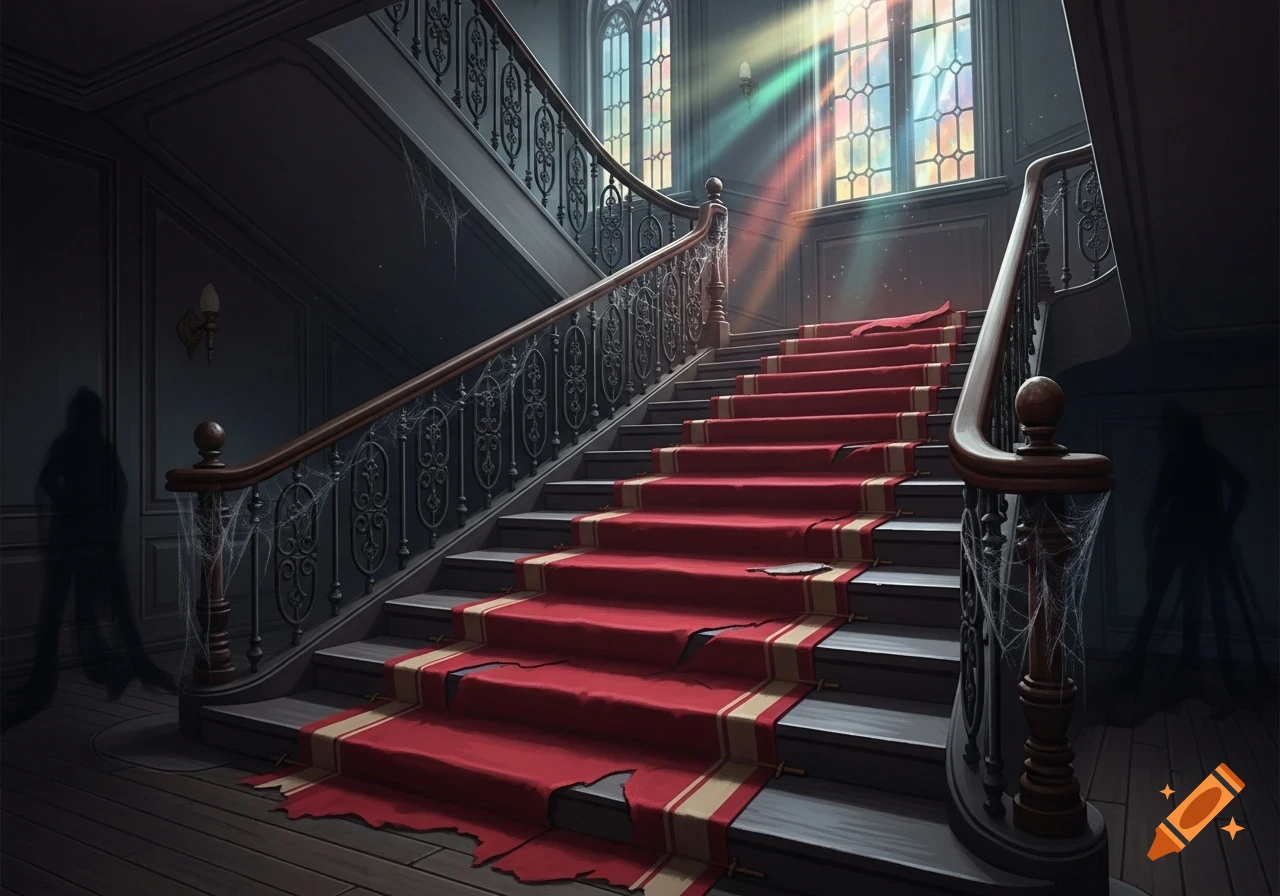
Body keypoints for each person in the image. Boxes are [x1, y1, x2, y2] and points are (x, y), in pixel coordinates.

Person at [2, 388, 176, 732]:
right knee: (94, 609)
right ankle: (108, 672)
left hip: (80, 538)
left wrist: (72, 509)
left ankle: (52, 680)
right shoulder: (93, 446)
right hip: (92, 538)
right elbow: (115, 490)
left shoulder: (76, 445)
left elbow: (52, 483)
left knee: (62, 612)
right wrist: (96, 518)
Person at [1119, 404, 1267, 696]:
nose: (1162, 436)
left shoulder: (1176, 459)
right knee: (1203, 599)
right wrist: (1223, 524)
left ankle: (1165, 667)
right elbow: (1239, 485)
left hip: (1182, 535)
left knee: (1179, 599)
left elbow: (1160, 502)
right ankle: (1203, 667)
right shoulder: (1207, 457)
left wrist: (1154, 528)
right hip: (1203, 535)